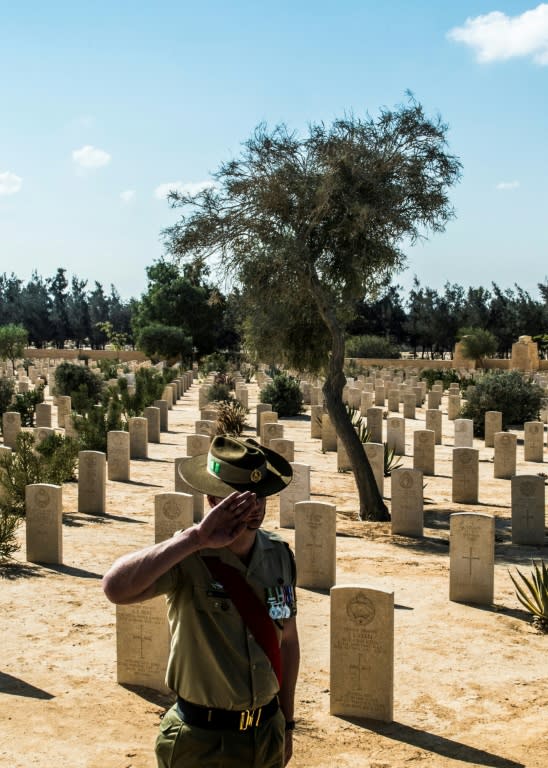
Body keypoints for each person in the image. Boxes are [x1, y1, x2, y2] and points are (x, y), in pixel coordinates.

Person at [102, 434, 300, 768]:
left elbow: (288, 639)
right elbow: (114, 589)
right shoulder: (186, 558)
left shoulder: (279, 556)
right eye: (238, 499)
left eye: (259, 497)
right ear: (212, 498)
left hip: (266, 735)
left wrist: (288, 722)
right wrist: (194, 538)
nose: (254, 508)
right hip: (202, 743)